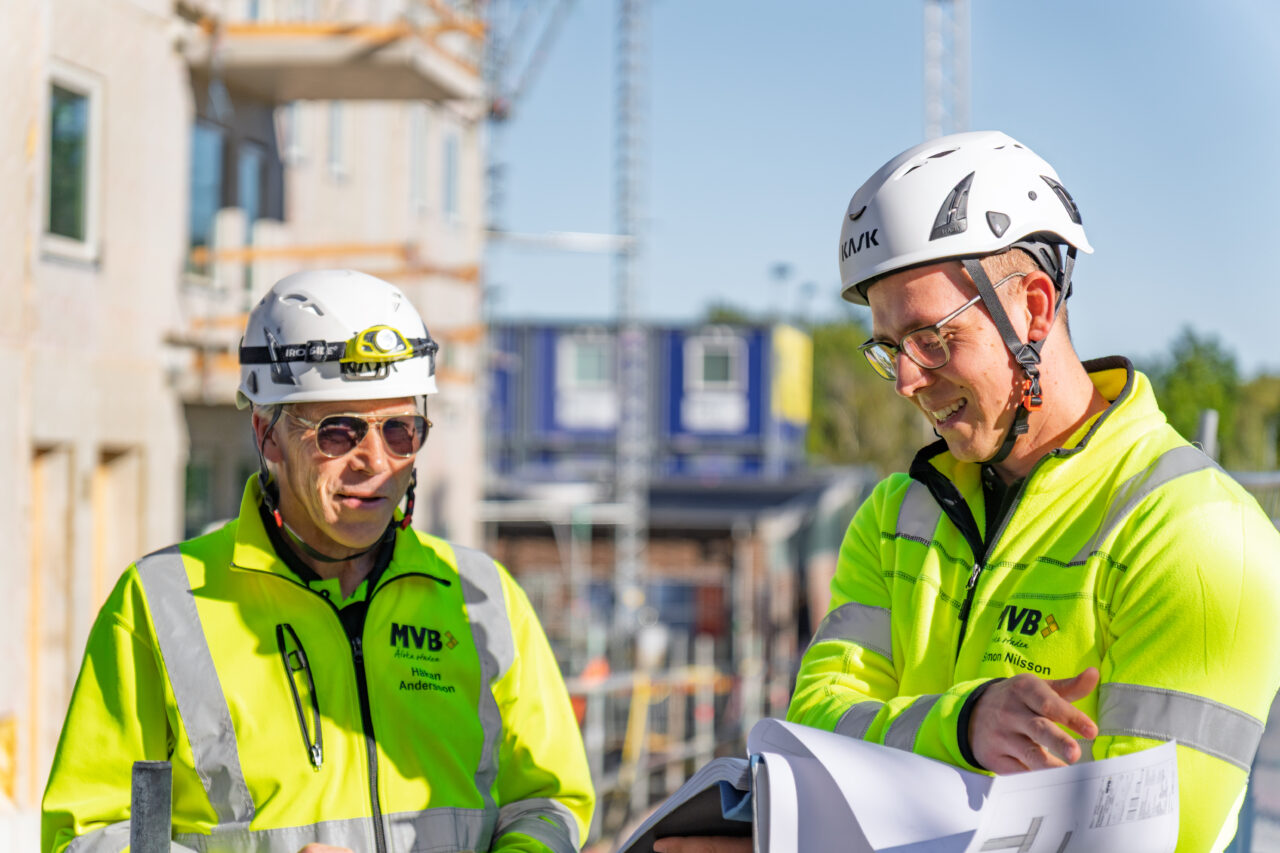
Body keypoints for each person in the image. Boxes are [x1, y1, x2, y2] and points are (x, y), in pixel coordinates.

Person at [658, 131, 1280, 853]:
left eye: (931, 337)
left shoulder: (1199, 534)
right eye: (889, 347)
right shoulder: (895, 516)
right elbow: (815, 730)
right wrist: (961, 725)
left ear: (1034, 309)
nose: (905, 379)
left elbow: (1155, 836)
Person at [42, 269, 594, 853]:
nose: (375, 461)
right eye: (339, 432)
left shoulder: (482, 597)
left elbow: (547, 802)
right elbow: (87, 832)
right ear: (268, 434)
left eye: (401, 431)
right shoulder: (161, 604)